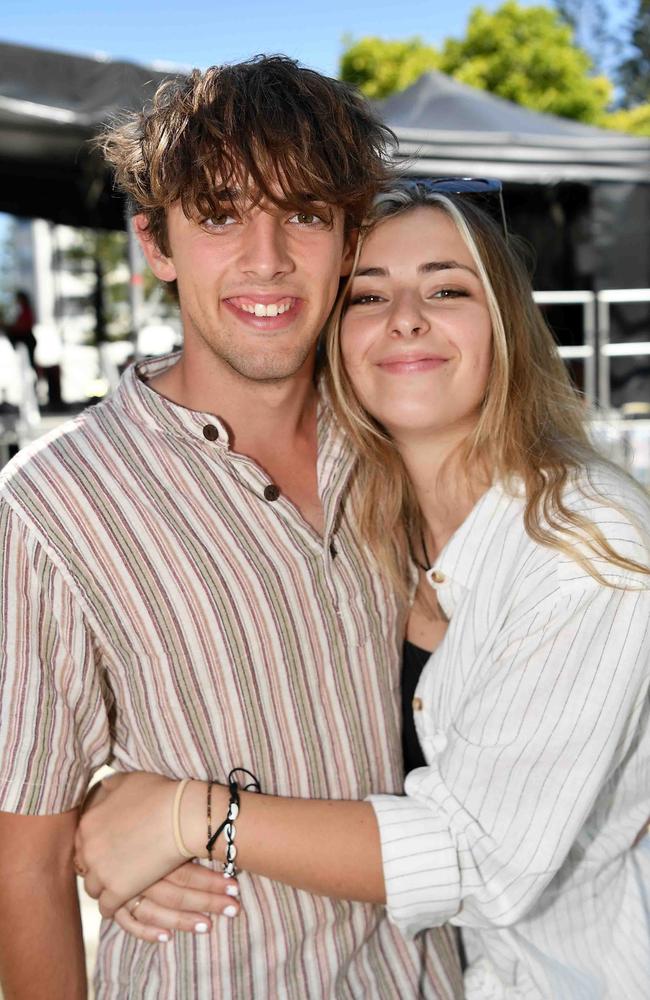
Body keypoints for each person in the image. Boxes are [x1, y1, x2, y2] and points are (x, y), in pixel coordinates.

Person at [76, 183, 650, 1000]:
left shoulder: (585, 544)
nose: (405, 318)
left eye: (448, 289)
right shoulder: (360, 510)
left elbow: (481, 860)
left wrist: (190, 819)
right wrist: (117, 821)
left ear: (507, 328)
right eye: (368, 295)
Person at [0, 61, 463, 999]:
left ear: (347, 239)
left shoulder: (404, 437)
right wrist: (96, 817)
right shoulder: (52, 506)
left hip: (441, 975)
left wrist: (177, 813)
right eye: (219, 215)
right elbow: (26, 865)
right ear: (155, 242)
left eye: (304, 212)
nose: (267, 258)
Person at [2, 289, 38, 372]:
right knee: (31, 364)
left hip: (28, 338)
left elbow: (23, 326)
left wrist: (10, 327)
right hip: (27, 338)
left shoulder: (26, 311)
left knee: (32, 365)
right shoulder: (23, 311)